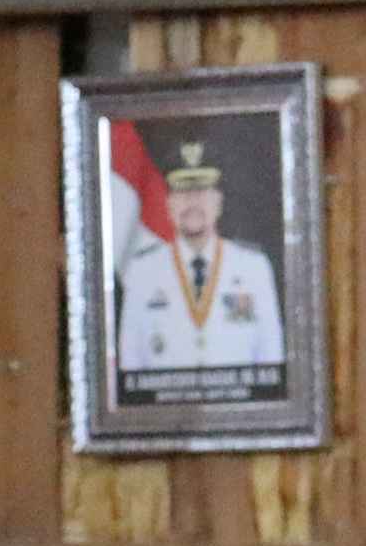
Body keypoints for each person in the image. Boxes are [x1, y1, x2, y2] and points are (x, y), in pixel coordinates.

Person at [113, 152, 287, 382]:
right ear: (169, 205)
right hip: (167, 411)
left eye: (202, 192)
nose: (193, 203)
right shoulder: (143, 272)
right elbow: (130, 363)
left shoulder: (253, 268)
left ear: (219, 202)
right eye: (183, 193)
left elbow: (271, 358)